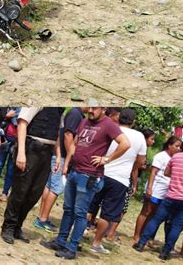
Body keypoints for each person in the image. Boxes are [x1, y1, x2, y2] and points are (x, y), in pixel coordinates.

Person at [41, 106, 130, 260]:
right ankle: (61, 241)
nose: (90, 110)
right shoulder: (84, 121)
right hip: (74, 171)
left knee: (80, 213)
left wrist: (107, 159)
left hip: (89, 175)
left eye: (94, 108)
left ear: (103, 108)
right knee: (68, 209)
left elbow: (125, 143)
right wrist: (67, 164)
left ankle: (72, 247)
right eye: (89, 107)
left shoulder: (109, 124)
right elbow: (75, 143)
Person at [1, 107, 66, 244]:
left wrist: (58, 155)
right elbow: (22, 124)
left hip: (47, 152)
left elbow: (57, 134)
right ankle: (8, 226)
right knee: (20, 191)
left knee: (34, 193)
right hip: (31, 149)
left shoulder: (60, 108)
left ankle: (18, 226)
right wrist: (21, 153)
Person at [89, 109, 147, 254]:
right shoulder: (139, 137)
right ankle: (96, 242)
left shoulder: (110, 128)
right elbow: (141, 161)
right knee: (107, 214)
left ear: (119, 118)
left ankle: (80, 230)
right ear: (133, 121)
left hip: (101, 172)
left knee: (90, 205)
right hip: (120, 179)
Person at [35, 107, 89, 233]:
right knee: (56, 187)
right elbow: (67, 135)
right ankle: (42, 219)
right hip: (63, 157)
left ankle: (42, 216)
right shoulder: (76, 113)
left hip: (59, 155)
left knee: (50, 186)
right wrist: (71, 155)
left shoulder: (76, 113)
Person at [133, 141, 183, 260]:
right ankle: (165, 252)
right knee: (176, 226)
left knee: (156, 219)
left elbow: (167, 173)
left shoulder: (176, 157)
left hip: (171, 195)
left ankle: (141, 243)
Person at [0, 108, 21, 201]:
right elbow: (2, 119)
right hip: (5, 137)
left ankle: (5, 193)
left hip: (16, 141)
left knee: (10, 168)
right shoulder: (10, 108)